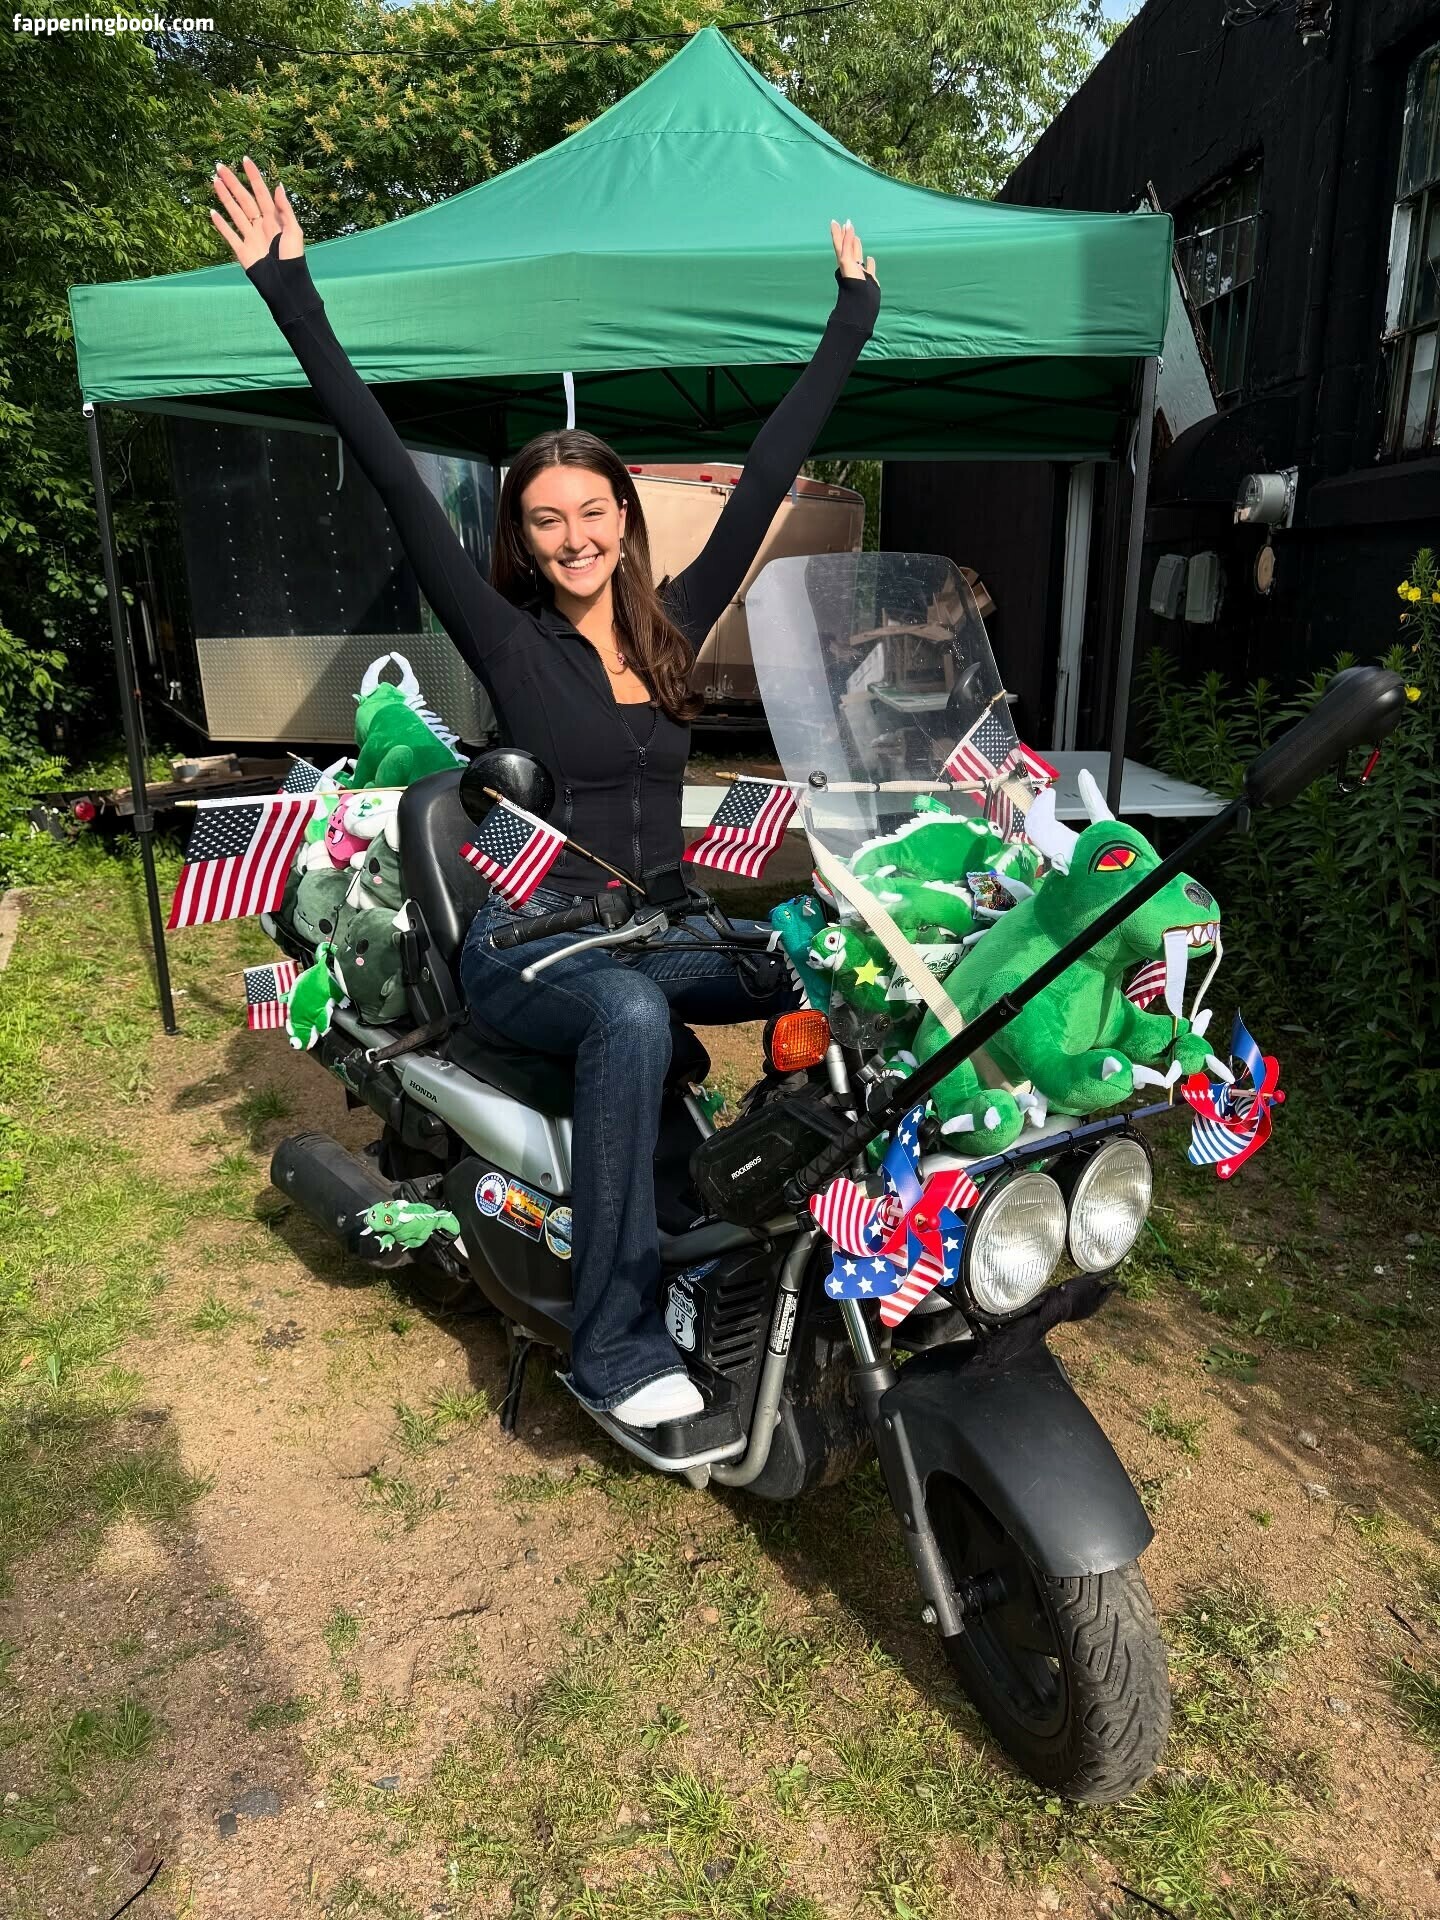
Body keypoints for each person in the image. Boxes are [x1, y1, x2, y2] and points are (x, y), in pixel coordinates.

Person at [211, 157, 881, 1429]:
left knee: (843, 964)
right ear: (521, 539)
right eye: (545, 521)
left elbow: (769, 470)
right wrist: (290, 291)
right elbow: (390, 471)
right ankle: (616, 1344)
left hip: (664, 925)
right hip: (535, 944)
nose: (574, 537)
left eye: (592, 511)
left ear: (626, 516)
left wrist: (851, 319)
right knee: (627, 1015)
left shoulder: (676, 625)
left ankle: (846, 1223)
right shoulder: (511, 644)